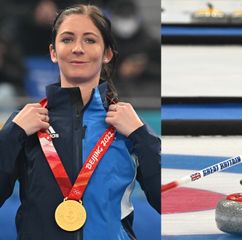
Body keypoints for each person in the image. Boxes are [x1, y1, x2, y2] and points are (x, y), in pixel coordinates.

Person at [0, 4, 160, 240]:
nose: (77, 48)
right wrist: (12, 134)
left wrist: (142, 137)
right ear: (53, 52)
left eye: (90, 40)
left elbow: (165, 202)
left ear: (107, 54)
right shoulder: (26, 123)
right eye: (67, 39)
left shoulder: (127, 126)